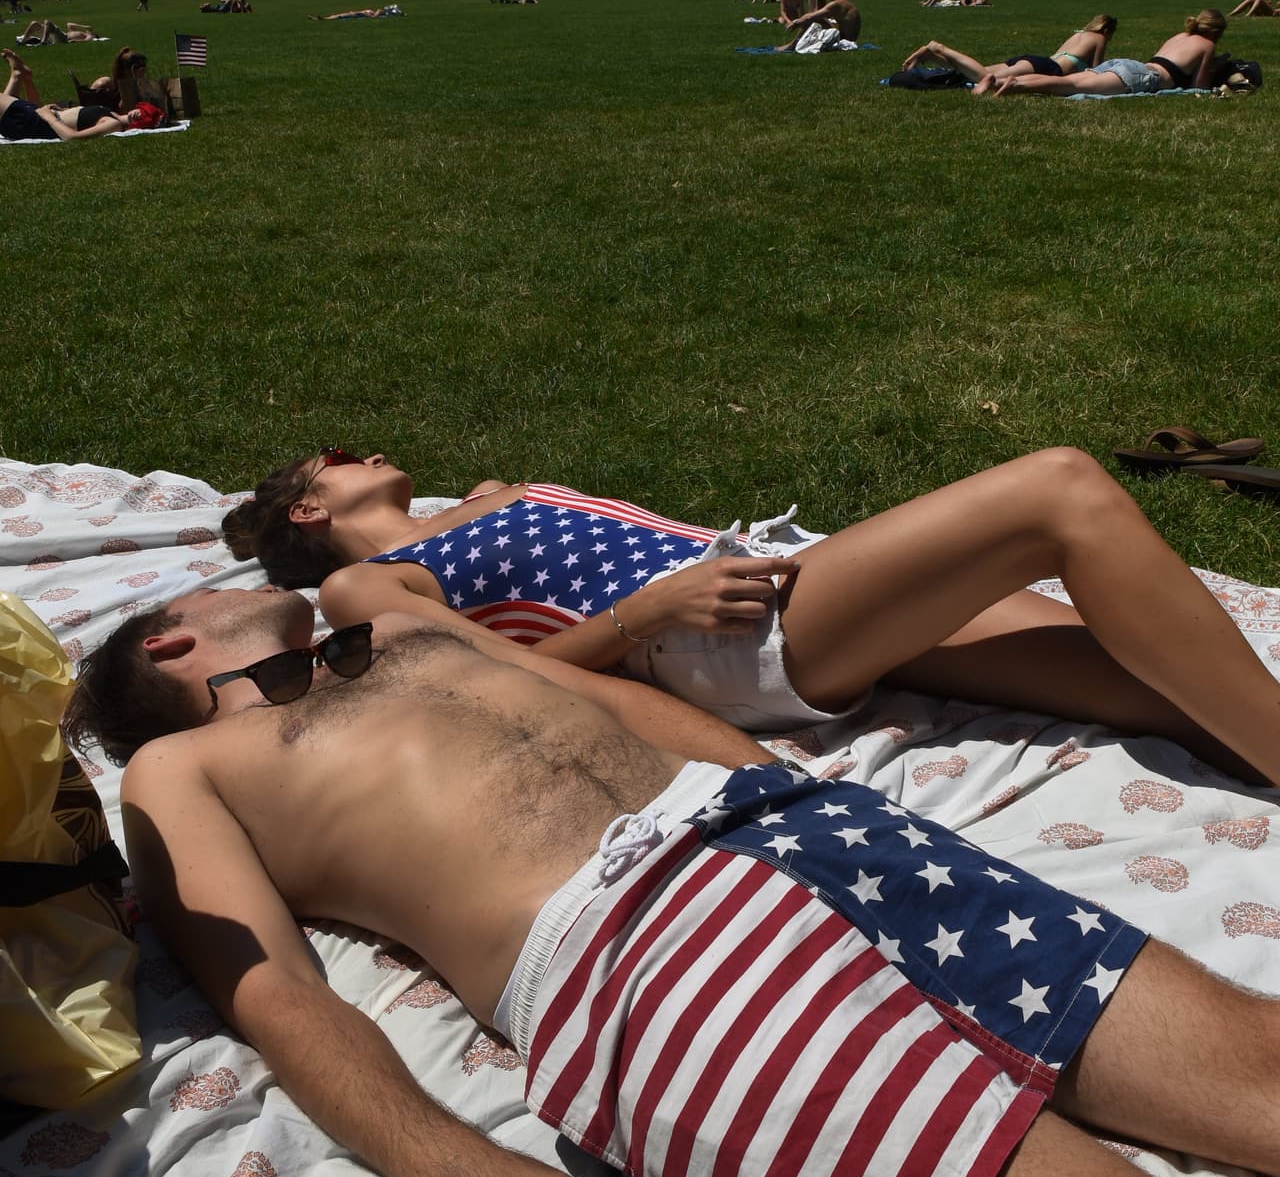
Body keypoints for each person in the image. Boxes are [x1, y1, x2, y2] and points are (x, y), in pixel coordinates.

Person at [61, 589, 1280, 1177]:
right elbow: (270, 989)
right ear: (172, 639)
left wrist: (814, 799)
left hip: (811, 833)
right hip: (636, 950)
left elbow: (607, 700)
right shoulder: (182, 766)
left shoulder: (403, 627)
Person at [223, 448, 1280, 784]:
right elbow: (492, 681)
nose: (366, 449)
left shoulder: (487, 502)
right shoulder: (366, 587)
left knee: (1169, 687)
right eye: (338, 457)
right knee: (1058, 491)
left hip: (768, 591)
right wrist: (645, 613)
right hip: (707, 644)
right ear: (313, 509)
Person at [995, 9, 1227, 98]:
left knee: (1064, 81)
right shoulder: (1207, 46)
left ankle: (1001, 81)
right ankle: (1013, 86)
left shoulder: (1180, 35)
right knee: (1069, 87)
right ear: (1215, 33)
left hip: (1130, 65)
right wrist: (1215, 69)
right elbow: (1200, 85)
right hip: (1142, 77)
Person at [900, 16, 1117, 95]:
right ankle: (940, 48)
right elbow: (1096, 68)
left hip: (1037, 60)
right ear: (1106, 30)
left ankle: (932, 56)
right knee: (985, 76)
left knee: (973, 74)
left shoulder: (1079, 33)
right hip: (1047, 68)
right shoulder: (1099, 38)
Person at [0, 48, 136, 140]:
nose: (139, 113)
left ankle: (18, 76)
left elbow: (73, 138)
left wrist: (50, 118)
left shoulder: (113, 124)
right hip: (37, 117)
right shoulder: (113, 114)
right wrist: (61, 111)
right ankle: (19, 77)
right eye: (142, 110)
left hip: (32, 123)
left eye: (145, 117)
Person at [775, 0, 861, 49]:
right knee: (815, 18)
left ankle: (791, 45)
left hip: (845, 39)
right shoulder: (845, 3)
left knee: (812, 18)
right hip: (850, 38)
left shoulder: (836, 4)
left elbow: (811, 16)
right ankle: (793, 44)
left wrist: (796, 22)